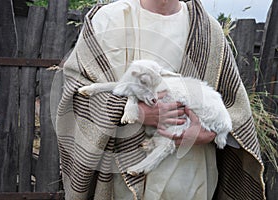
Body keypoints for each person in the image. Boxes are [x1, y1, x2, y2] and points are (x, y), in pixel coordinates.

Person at [56, 0, 265, 199]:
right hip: (119, 183)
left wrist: (209, 133)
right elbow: (75, 92)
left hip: (190, 181)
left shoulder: (208, 31)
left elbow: (234, 108)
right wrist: (134, 112)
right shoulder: (107, 21)